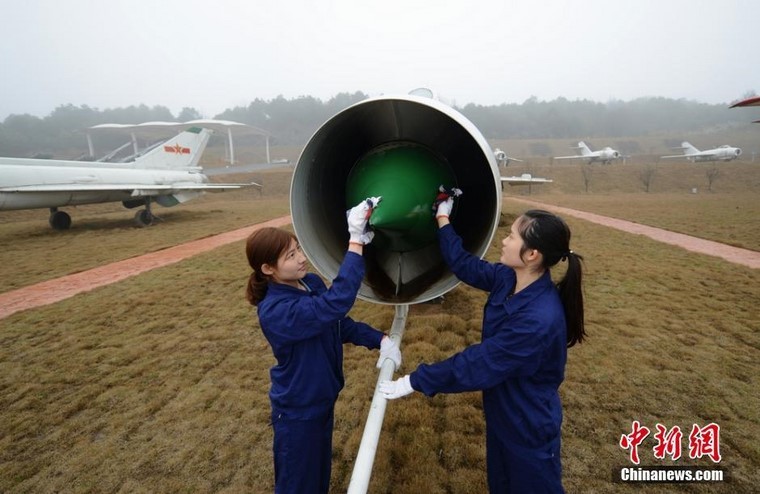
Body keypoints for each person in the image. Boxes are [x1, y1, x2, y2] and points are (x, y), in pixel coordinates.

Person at [380, 190, 586, 493]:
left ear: (532, 255)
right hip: (503, 411)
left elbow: (479, 363)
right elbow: (465, 265)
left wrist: (415, 381)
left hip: (526, 421)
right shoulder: (509, 278)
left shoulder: (538, 321)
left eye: (513, 236)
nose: (504, 240)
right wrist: (442, 217)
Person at [245, 197, 402, 494]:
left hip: (321, 402)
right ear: (268, 268)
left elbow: (337, 322)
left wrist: (378, 339)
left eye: (298, 249)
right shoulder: (276, 312)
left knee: (318, 480)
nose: (301, 258)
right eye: (291, 256)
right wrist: (355, 242)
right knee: (298, 485)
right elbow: (336, 304)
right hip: (297, 413)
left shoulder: (310, 284)